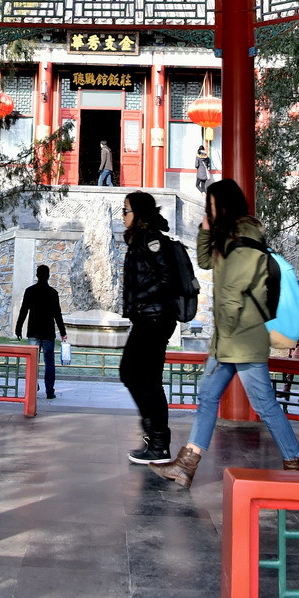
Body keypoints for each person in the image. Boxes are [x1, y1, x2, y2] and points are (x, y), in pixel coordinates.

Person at [150, 178, 299, 488]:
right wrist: (205, 228)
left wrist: (224, 332)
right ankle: (185, 465)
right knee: (208, 397)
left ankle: (295, 460)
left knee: (263, 404)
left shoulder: (246, 239)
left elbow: (233, 293)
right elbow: (205, 261)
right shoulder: (230, 237)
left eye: (210, 205)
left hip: (242, 338)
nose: (208, 209)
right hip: (229, 340)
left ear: (223, 204)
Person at [119, 191, 177, 464]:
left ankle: (158, 441)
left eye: (126, 210)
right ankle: (154, 436)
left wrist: (140, 298)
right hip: (147, 317)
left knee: (141, 377)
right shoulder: (139, 240)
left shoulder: (152, 240)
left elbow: (168, 279)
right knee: (135, 375)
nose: (123, 216)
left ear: (138, 213)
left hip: (155, 318)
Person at [15, 264, 67, 400]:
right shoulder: (53, 293)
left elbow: (23, 310)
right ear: (48, 276)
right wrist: (63, 332)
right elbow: (57, 314)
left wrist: (18, 327)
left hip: (33, 331)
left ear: (37, 275)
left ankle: (33, 386)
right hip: (48, 332)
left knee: (32, 362)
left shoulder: (30, 291)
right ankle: (50, 390)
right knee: (49, 362)